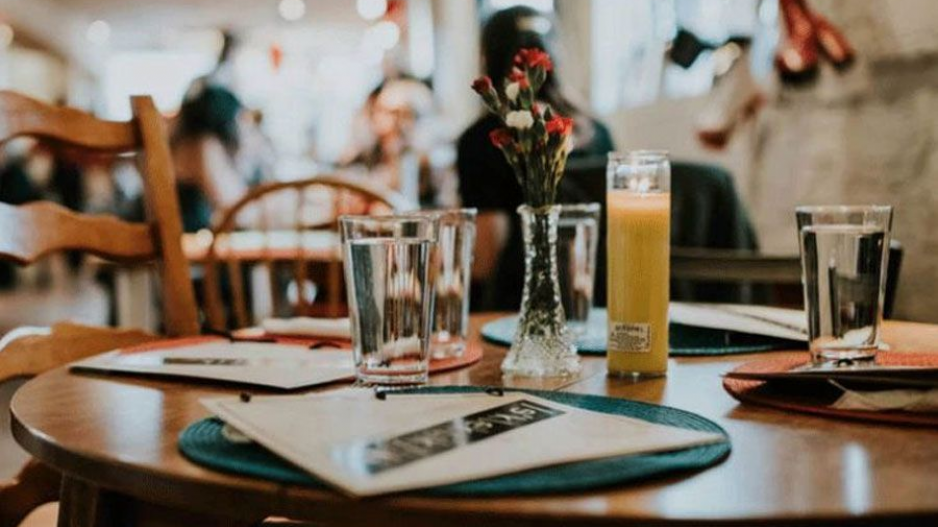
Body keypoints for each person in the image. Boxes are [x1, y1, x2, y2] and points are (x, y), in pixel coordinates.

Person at [456, 6, 615, 310]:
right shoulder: (598, 132)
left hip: (517, 310)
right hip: (597, 303)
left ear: (487, 57)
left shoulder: (483, 139)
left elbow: (486, 260)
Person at [171, 86, 268, 232]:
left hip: (184, 235)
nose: (241, 124)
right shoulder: (203, 146)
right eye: (239, 118)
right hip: (189, 238)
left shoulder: (184, 142)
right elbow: (237, 210)